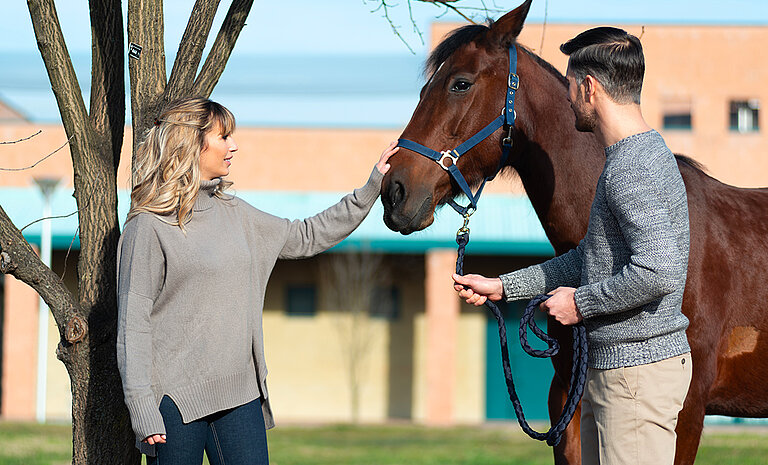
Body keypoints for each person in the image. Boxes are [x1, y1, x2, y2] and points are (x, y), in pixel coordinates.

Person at [453, 27, 692, 465]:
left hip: (634, 379)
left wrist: (580, 304)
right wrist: (504, 286)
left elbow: (659, 271)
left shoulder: (634, 168)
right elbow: (591, 258)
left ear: (590, 87)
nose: (566, 97)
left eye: (569, 84)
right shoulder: (625, 160)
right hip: (620, 374)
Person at [116, 97, 398, 464]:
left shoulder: (238, 215)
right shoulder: (148, 227)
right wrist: (141, 406)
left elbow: (308, 235)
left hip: (240, 396)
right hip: (173, 405)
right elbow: (132, 326)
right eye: (223, 137)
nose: (233, 146)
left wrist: (370, 190)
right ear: (191, 143)